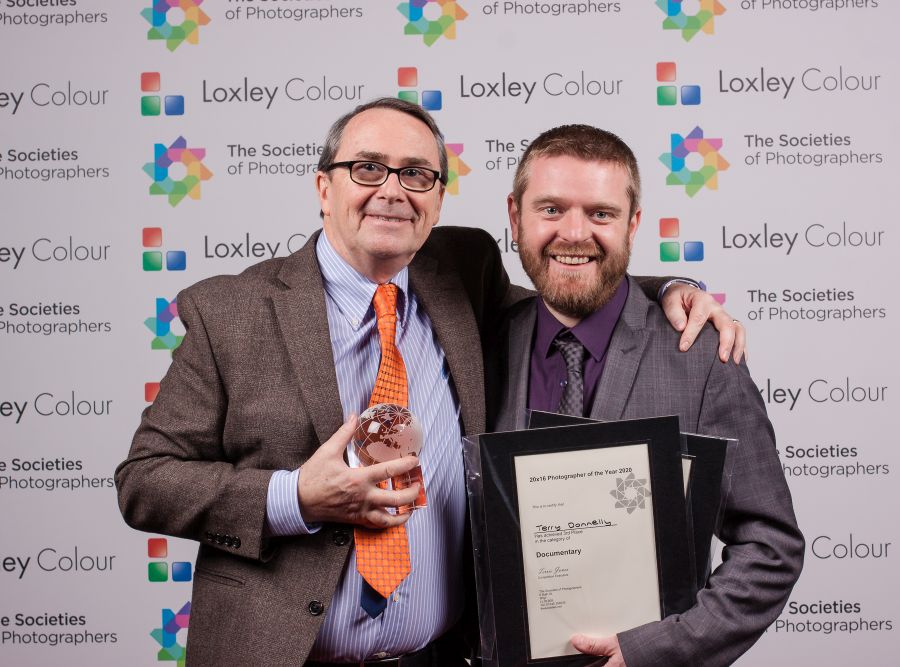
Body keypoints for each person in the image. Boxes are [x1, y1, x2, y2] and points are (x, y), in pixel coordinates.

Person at [115, 97, 741, 666]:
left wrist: (673, 291)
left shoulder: (461, 274)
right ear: (323, 187)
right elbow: (144, 481)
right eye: (367, 168)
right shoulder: (231, 312)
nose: (392, 190)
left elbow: (569, 280)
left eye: (416, 174)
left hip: (441, 658)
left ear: (438, 199)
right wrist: (295, 497)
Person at [488, 124, 804, 667]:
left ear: (633, 225)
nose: (574, 232)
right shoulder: (478, 341)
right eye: (551, 209)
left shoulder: (700, 354)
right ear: (515, 217)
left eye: (601, 214)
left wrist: (654, 652)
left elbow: (771, 547)